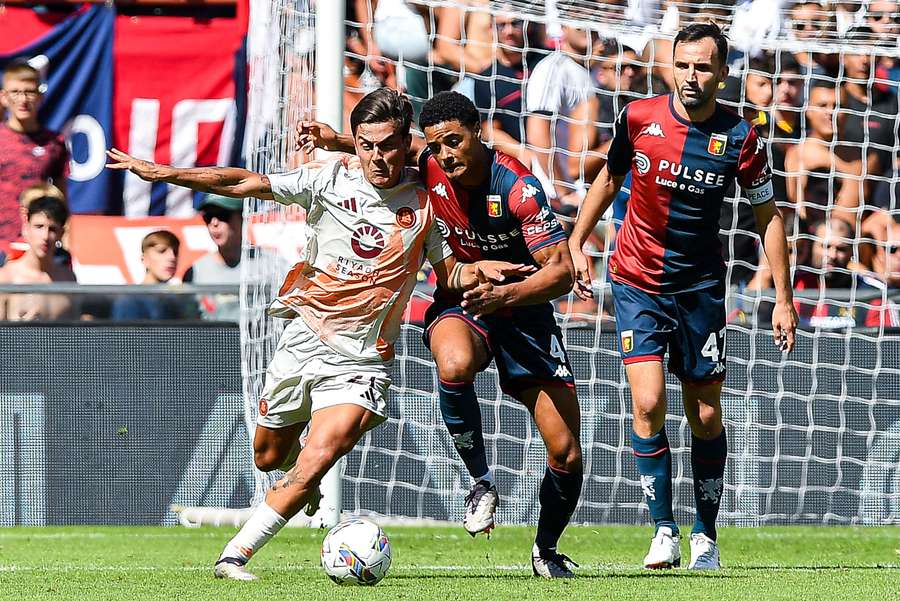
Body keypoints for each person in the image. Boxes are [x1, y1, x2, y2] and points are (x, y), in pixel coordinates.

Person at [105, 87, 529, 581]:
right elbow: (246, 183)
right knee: (268, 458)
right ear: (357, 143)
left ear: (406, 142)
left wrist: (481, 271)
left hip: (364, 358)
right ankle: (302, 481)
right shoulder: (328, 177)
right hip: (304, 340)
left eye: (388, 145)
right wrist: (166, 173)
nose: (377, 156)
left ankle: (234, 556)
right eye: (367, 144)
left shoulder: (426, 200)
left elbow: (448, 272)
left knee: (322, 451)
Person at [298, 90, 584, 578]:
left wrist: (507, 296)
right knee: (453, 363)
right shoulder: (429, 161)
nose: (446, 154)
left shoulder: (518, 188)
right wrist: (337, 142)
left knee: (566, 450)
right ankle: (481, 482)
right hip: (463, 301)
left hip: (523, 310)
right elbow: (392, 148)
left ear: (478, 133)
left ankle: (546, 550)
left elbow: (560, 273)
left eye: (455, 141)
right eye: (437, 144)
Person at [568, 23, 798, 571]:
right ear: (670, 66)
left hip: (698, 290)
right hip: (636, 280)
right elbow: (608, 177)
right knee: (646, 402)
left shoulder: (741, 137)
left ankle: (706, 534)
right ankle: (664, 530)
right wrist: (578, 241)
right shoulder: (639, 116)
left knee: (705, 414)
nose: (691, 77)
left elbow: (768, 217)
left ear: (722, 73)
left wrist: (784, 299)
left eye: (702, 67)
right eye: (683, 65)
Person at [0, 59, 68, 254]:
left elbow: (61, 198)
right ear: (4, 97)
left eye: (29, 92)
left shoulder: (54, 142)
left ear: (40, 97)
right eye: (15, 92)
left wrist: (67, 240)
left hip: (39, 245)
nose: (23, 99)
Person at [183, 193, 281, 322]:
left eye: (223, 215)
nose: (214, 223)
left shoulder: (273, 265)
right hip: (212, 341)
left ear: (243, 218)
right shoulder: (195, 271)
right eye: (208, 217)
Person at [0, 196, 78, 321]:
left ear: (61, 233)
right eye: (39, 226)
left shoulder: (68, 278)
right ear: (26, 228)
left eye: (52, 229)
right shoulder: (6, 278)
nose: (45, 236)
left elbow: (75, 333)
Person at [111, 230, 197, 320]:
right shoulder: (129, 301)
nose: (172, 257)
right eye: (161, 251)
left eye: (175, 252)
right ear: (144, 259)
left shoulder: (177, 301)